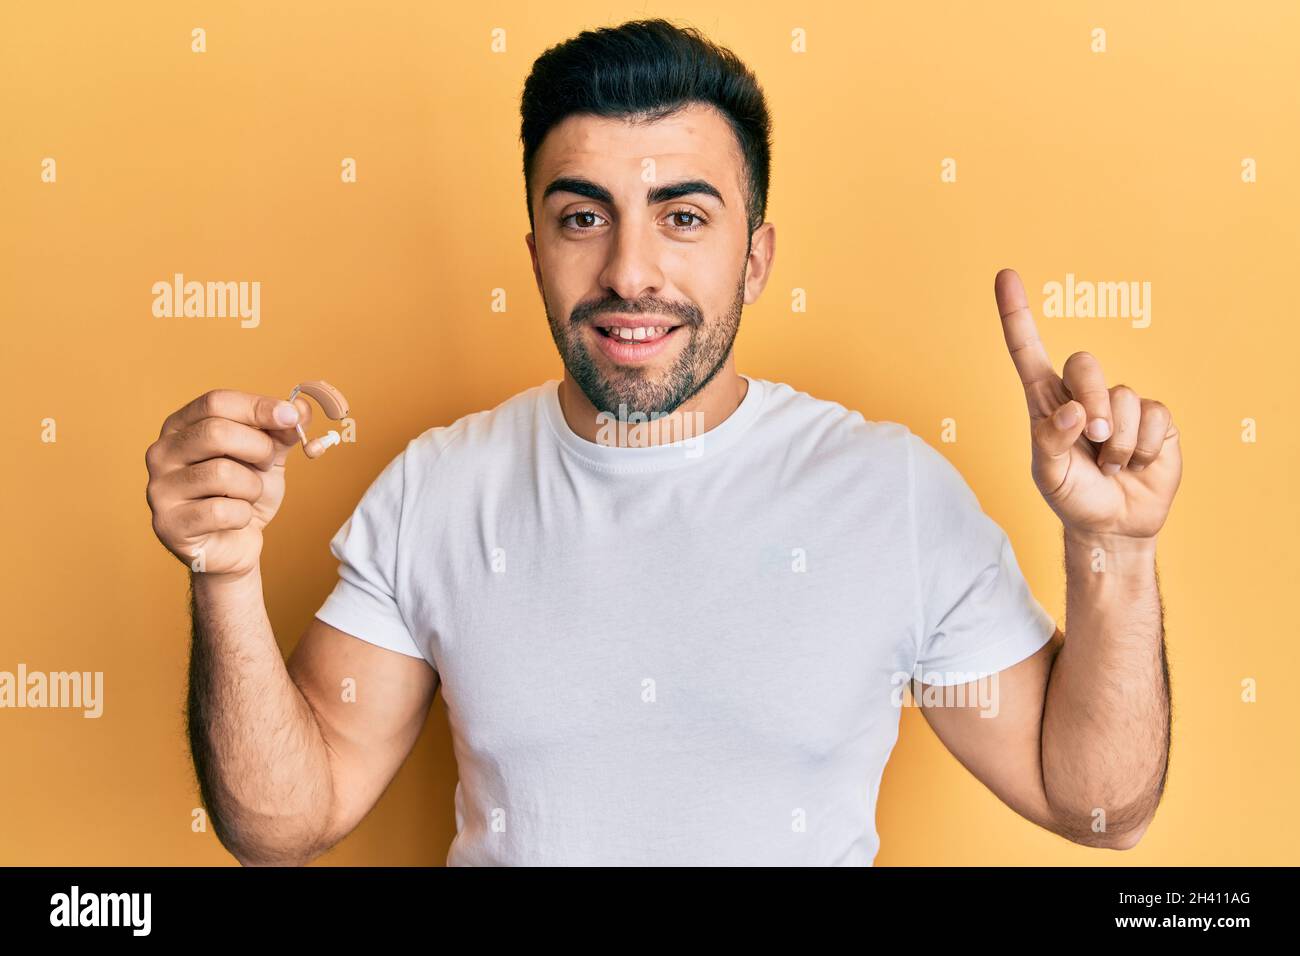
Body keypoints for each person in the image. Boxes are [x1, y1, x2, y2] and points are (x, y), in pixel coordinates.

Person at [144, 18, 1181, 866]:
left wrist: (1118, 555)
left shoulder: (888, 493)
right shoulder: (439, 489)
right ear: (536, 248)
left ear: (756, 255)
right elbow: (282, 822)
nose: (630, 272)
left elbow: (1095, 805)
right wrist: (224, 574)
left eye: (682, 216)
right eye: (582, 216)